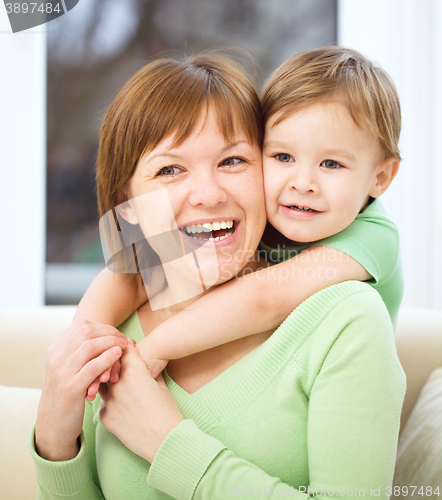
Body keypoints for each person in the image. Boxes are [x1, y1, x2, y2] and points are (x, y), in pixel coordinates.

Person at [30, 50, 405, 499]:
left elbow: (262, 296)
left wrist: (170, 445)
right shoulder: (111, 335)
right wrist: (53, 437)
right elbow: (123, 269)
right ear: (127, 204)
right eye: (170, 169)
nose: (208, 194)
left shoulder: (344, 314)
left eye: (233, 161)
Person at [79, 46, 404, 392]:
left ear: (380, 178)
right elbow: (126, 273)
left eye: (332, 164)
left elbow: (264, 299)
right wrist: (81, 344)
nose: (302, 183)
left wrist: (152, 350)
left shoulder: (375, 237)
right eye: (282, 156)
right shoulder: (269, 215)